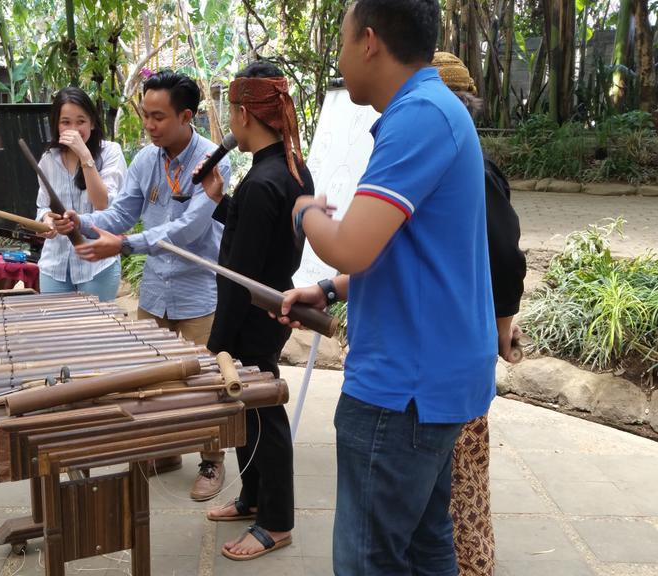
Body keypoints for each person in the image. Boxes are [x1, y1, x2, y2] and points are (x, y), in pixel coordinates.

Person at [275, 0, 497, 572]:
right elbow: (408, 253)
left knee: (367, 561)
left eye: (344, 41)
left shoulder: (419, 116)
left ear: (369, 41)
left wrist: (304, 211)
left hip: (404, 391)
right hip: (431, 380)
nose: (341, 57)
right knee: (426, 548)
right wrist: (327, 290)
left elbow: (350, 241)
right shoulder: (433, 111)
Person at [50, 70, 232, 500]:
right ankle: (166, 451)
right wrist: (82, 221)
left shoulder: (212, 161)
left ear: (187, 116)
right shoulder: (146, 159)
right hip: (155, 293)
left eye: (158, 117)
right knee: (152, 380)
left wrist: (124, 246)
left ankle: (212, 460)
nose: (149, 126)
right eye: (145, 116)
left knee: (206, 382)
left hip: (198, 292)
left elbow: (188, 229)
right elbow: (118, 215)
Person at [193, 61, 313, 561]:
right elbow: (258, 242)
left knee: (263, 412)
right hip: (267, 304)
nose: (228, 123)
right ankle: (252, 496)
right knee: (250, 410)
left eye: (229, 112)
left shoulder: (265, 180)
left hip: (253, 315)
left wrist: (216, 343)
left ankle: (276, 521)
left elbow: (238, 278)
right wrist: (222, 200)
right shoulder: (286, 168)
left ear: (244, 113)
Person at [431, 50, 526, 576]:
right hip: (439, 352)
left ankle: (472, 567)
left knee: (459, 483)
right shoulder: (443, 164)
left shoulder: (475, 172)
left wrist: (502, 330)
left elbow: (505, 257)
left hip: (459, 352)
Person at [35, 87, 127, 301]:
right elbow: (43, 206)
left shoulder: (111, 152)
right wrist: (48, 221)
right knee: (57, 331)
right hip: (54, 265)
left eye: (81, 121)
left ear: (92, 123)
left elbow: (103, 204)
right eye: (66, 122)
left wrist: (84, 154)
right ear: (56, 125)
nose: (74, 129)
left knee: (96, 331)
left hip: (97, 265)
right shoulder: (49, 159)